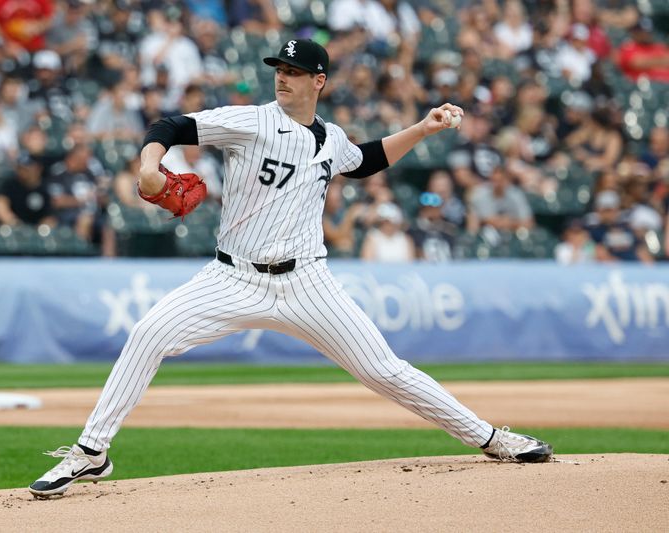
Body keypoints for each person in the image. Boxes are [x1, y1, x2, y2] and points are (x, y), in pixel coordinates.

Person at [29, 39, 553, 498]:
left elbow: (365, 160)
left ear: (318, 81)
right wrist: (149, 164)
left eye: (295, 72)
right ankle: (91, 453)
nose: (283, 76)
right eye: (279, 69)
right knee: (147, 334)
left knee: (384, 370)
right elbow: (170, 125)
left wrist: (422, 127)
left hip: (306, 281)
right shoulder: (251, 121)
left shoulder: (331, 137)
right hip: (231, 278)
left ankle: (491, 438)